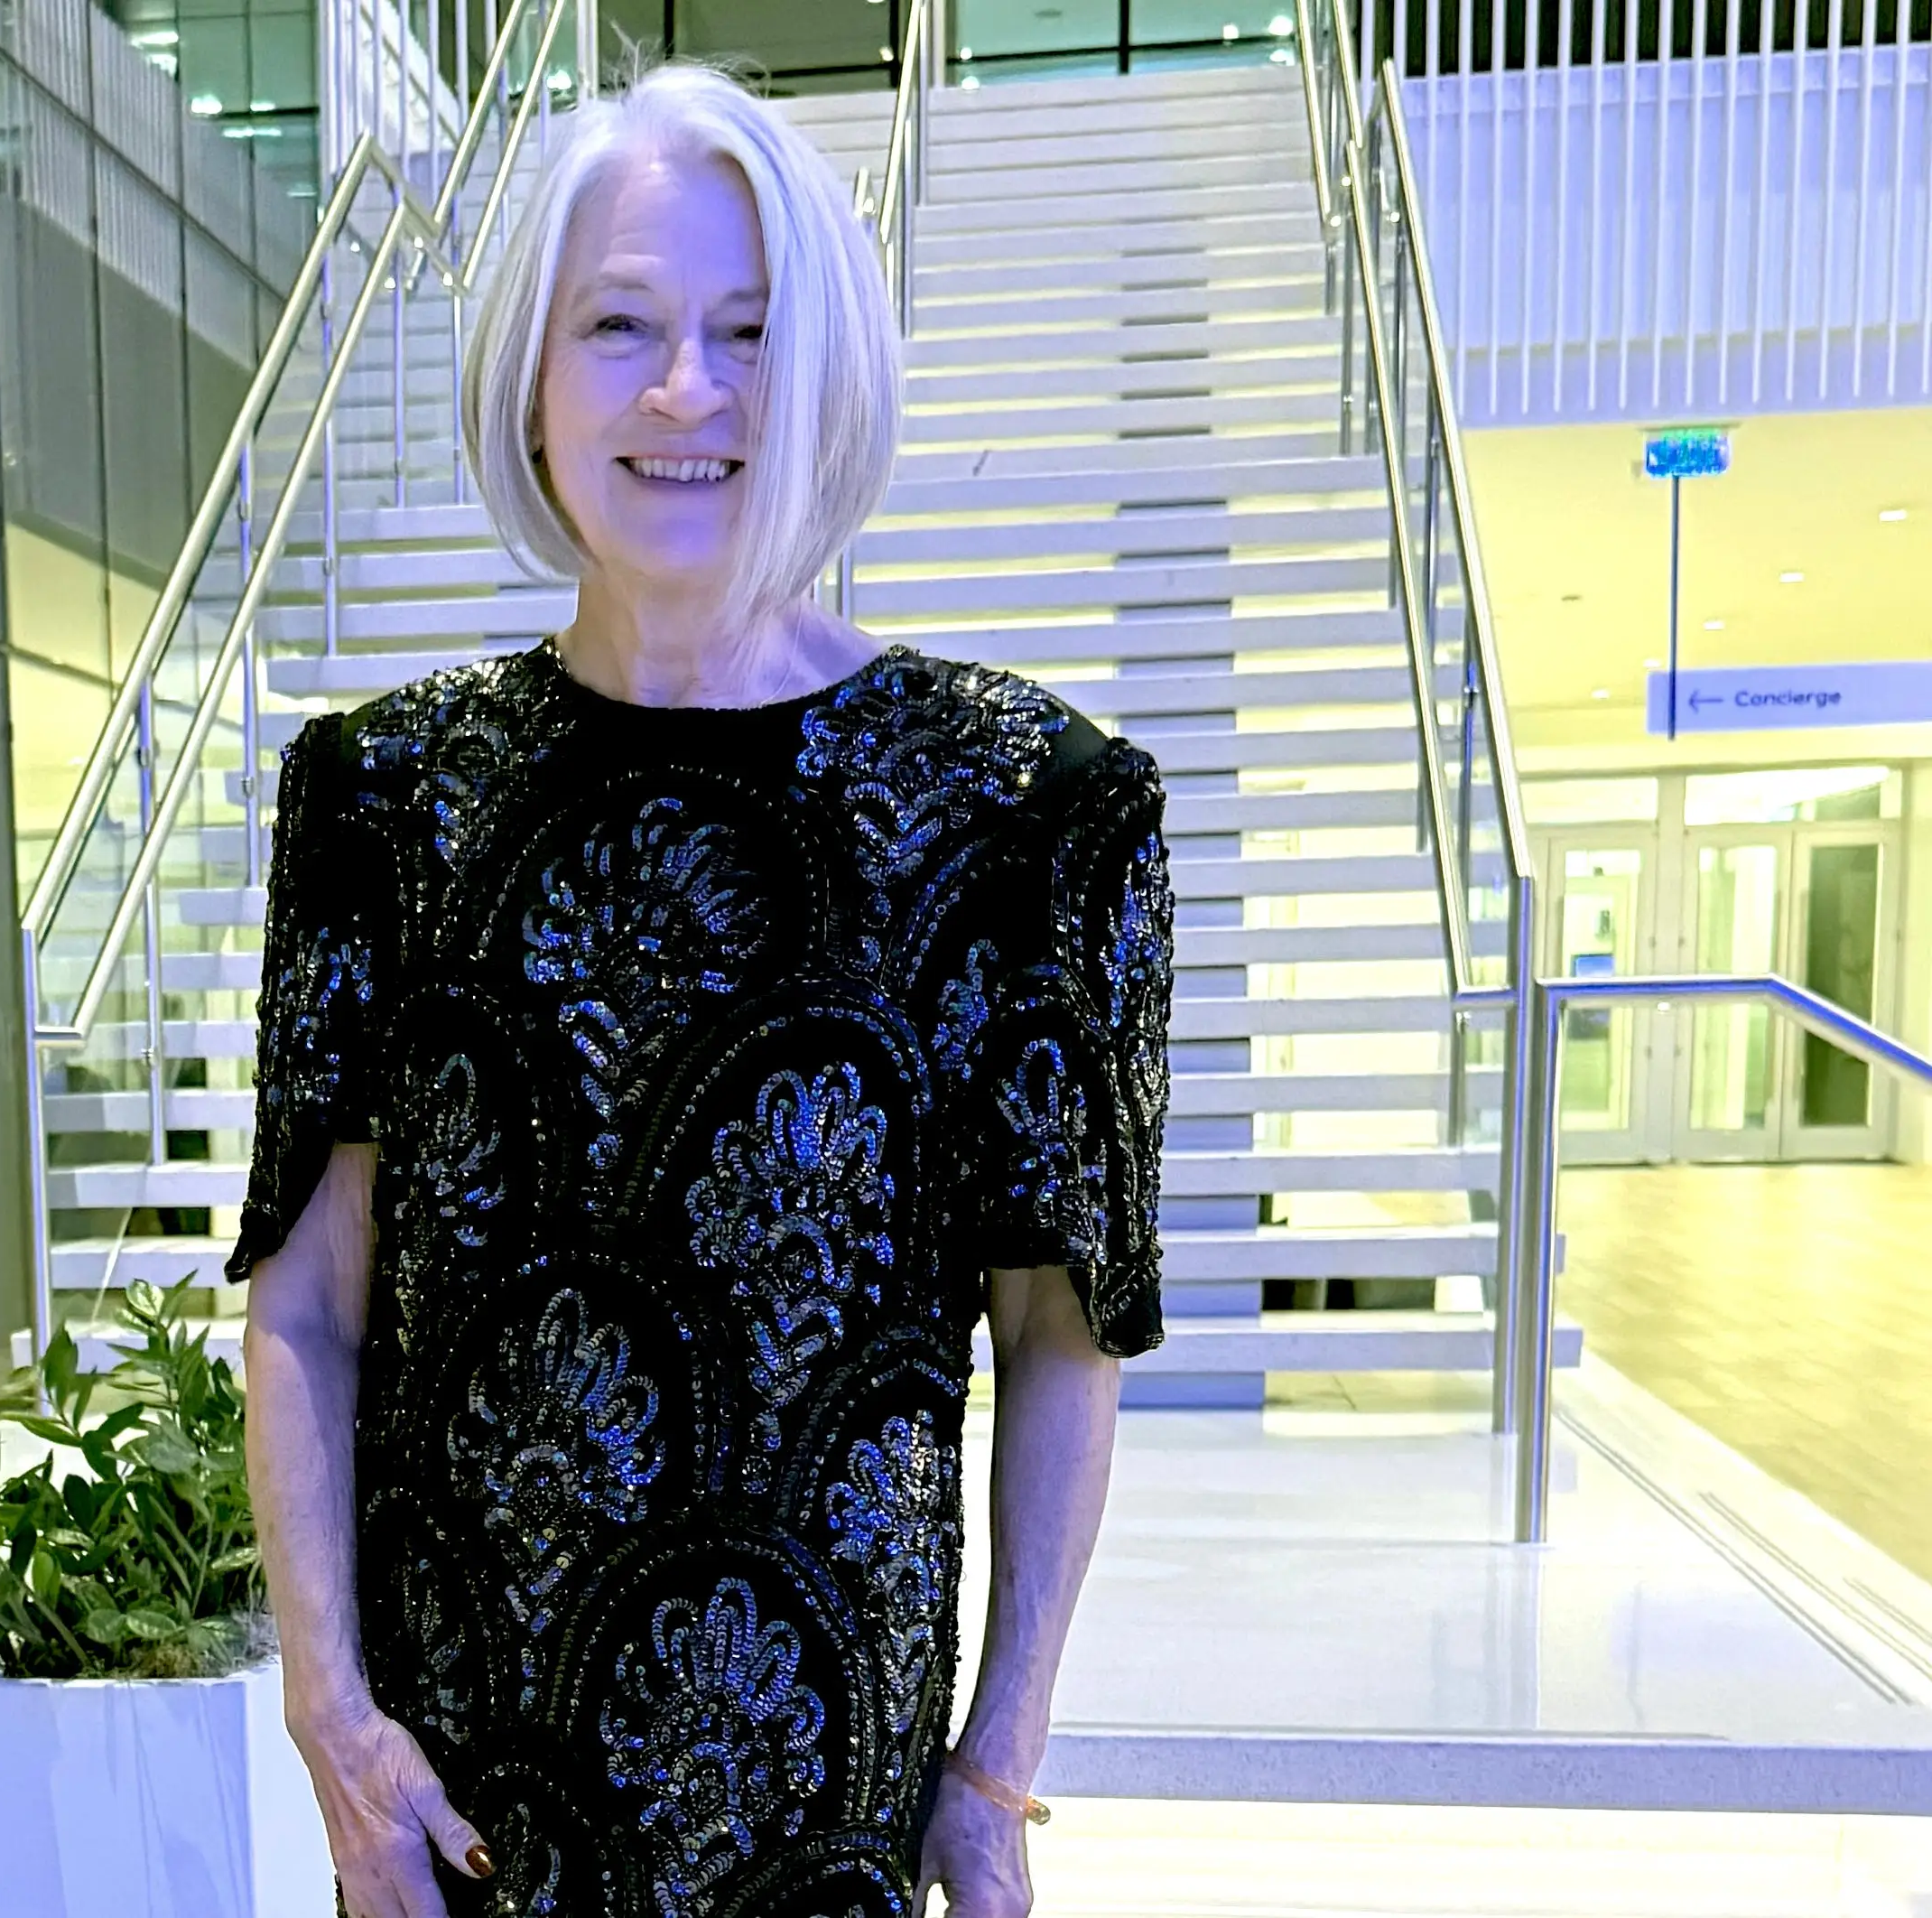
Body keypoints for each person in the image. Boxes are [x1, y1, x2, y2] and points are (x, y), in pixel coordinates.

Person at [236, 61, 1174, 1918]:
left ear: (826, 374)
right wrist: (335, 1732)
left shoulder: (1019, 810)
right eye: (623, 326)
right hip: (464, 1824)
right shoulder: (383, 801)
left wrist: (995, 1774)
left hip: (837, 1817)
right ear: (532, 372)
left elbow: (1060, 1334)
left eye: (750, 331)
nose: (687, 390)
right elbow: (308, 1310)